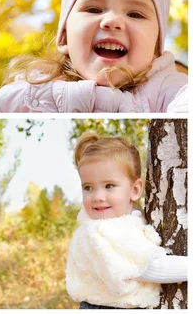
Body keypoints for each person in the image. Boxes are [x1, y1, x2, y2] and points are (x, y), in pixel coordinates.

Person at [0, 0, 187, 112]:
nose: (112, 21)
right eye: (93, 9)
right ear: (64, 37)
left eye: (135, 14)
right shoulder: (33, 92)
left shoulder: (170, 91)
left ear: (156, 47)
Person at [66, 132, 187, 309]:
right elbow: (148, 268)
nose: (98, 196)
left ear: (135, 190)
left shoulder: (121, 222)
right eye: (88, 187)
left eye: (109, 186)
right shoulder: (101, 231)